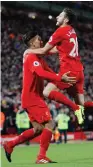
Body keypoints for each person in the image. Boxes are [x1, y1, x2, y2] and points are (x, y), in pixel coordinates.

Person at [3, 31, 76, 164]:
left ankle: (10, 144)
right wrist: (60, 78)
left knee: (38, 129)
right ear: (31, 43)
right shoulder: (31, 56)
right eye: (38, 40)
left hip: (30, 98)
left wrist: (62, 80)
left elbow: (48, 71)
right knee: (50, 124)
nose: (41, 42)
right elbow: (40, 73)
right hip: (33, 98)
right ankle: (41, 157)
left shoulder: (39, 58)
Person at [24, 8, 87, 124]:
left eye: (60, 15)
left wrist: (29, 51)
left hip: (68, 71)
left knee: (46, 92)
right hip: (80, 71)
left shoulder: (60, 31)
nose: (57, 17)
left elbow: (43, 51)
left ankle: (75, 108)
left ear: (66, 19)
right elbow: (57, 49)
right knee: (80, 103)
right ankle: (80, 113)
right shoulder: (71, 30)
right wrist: (44, 51)